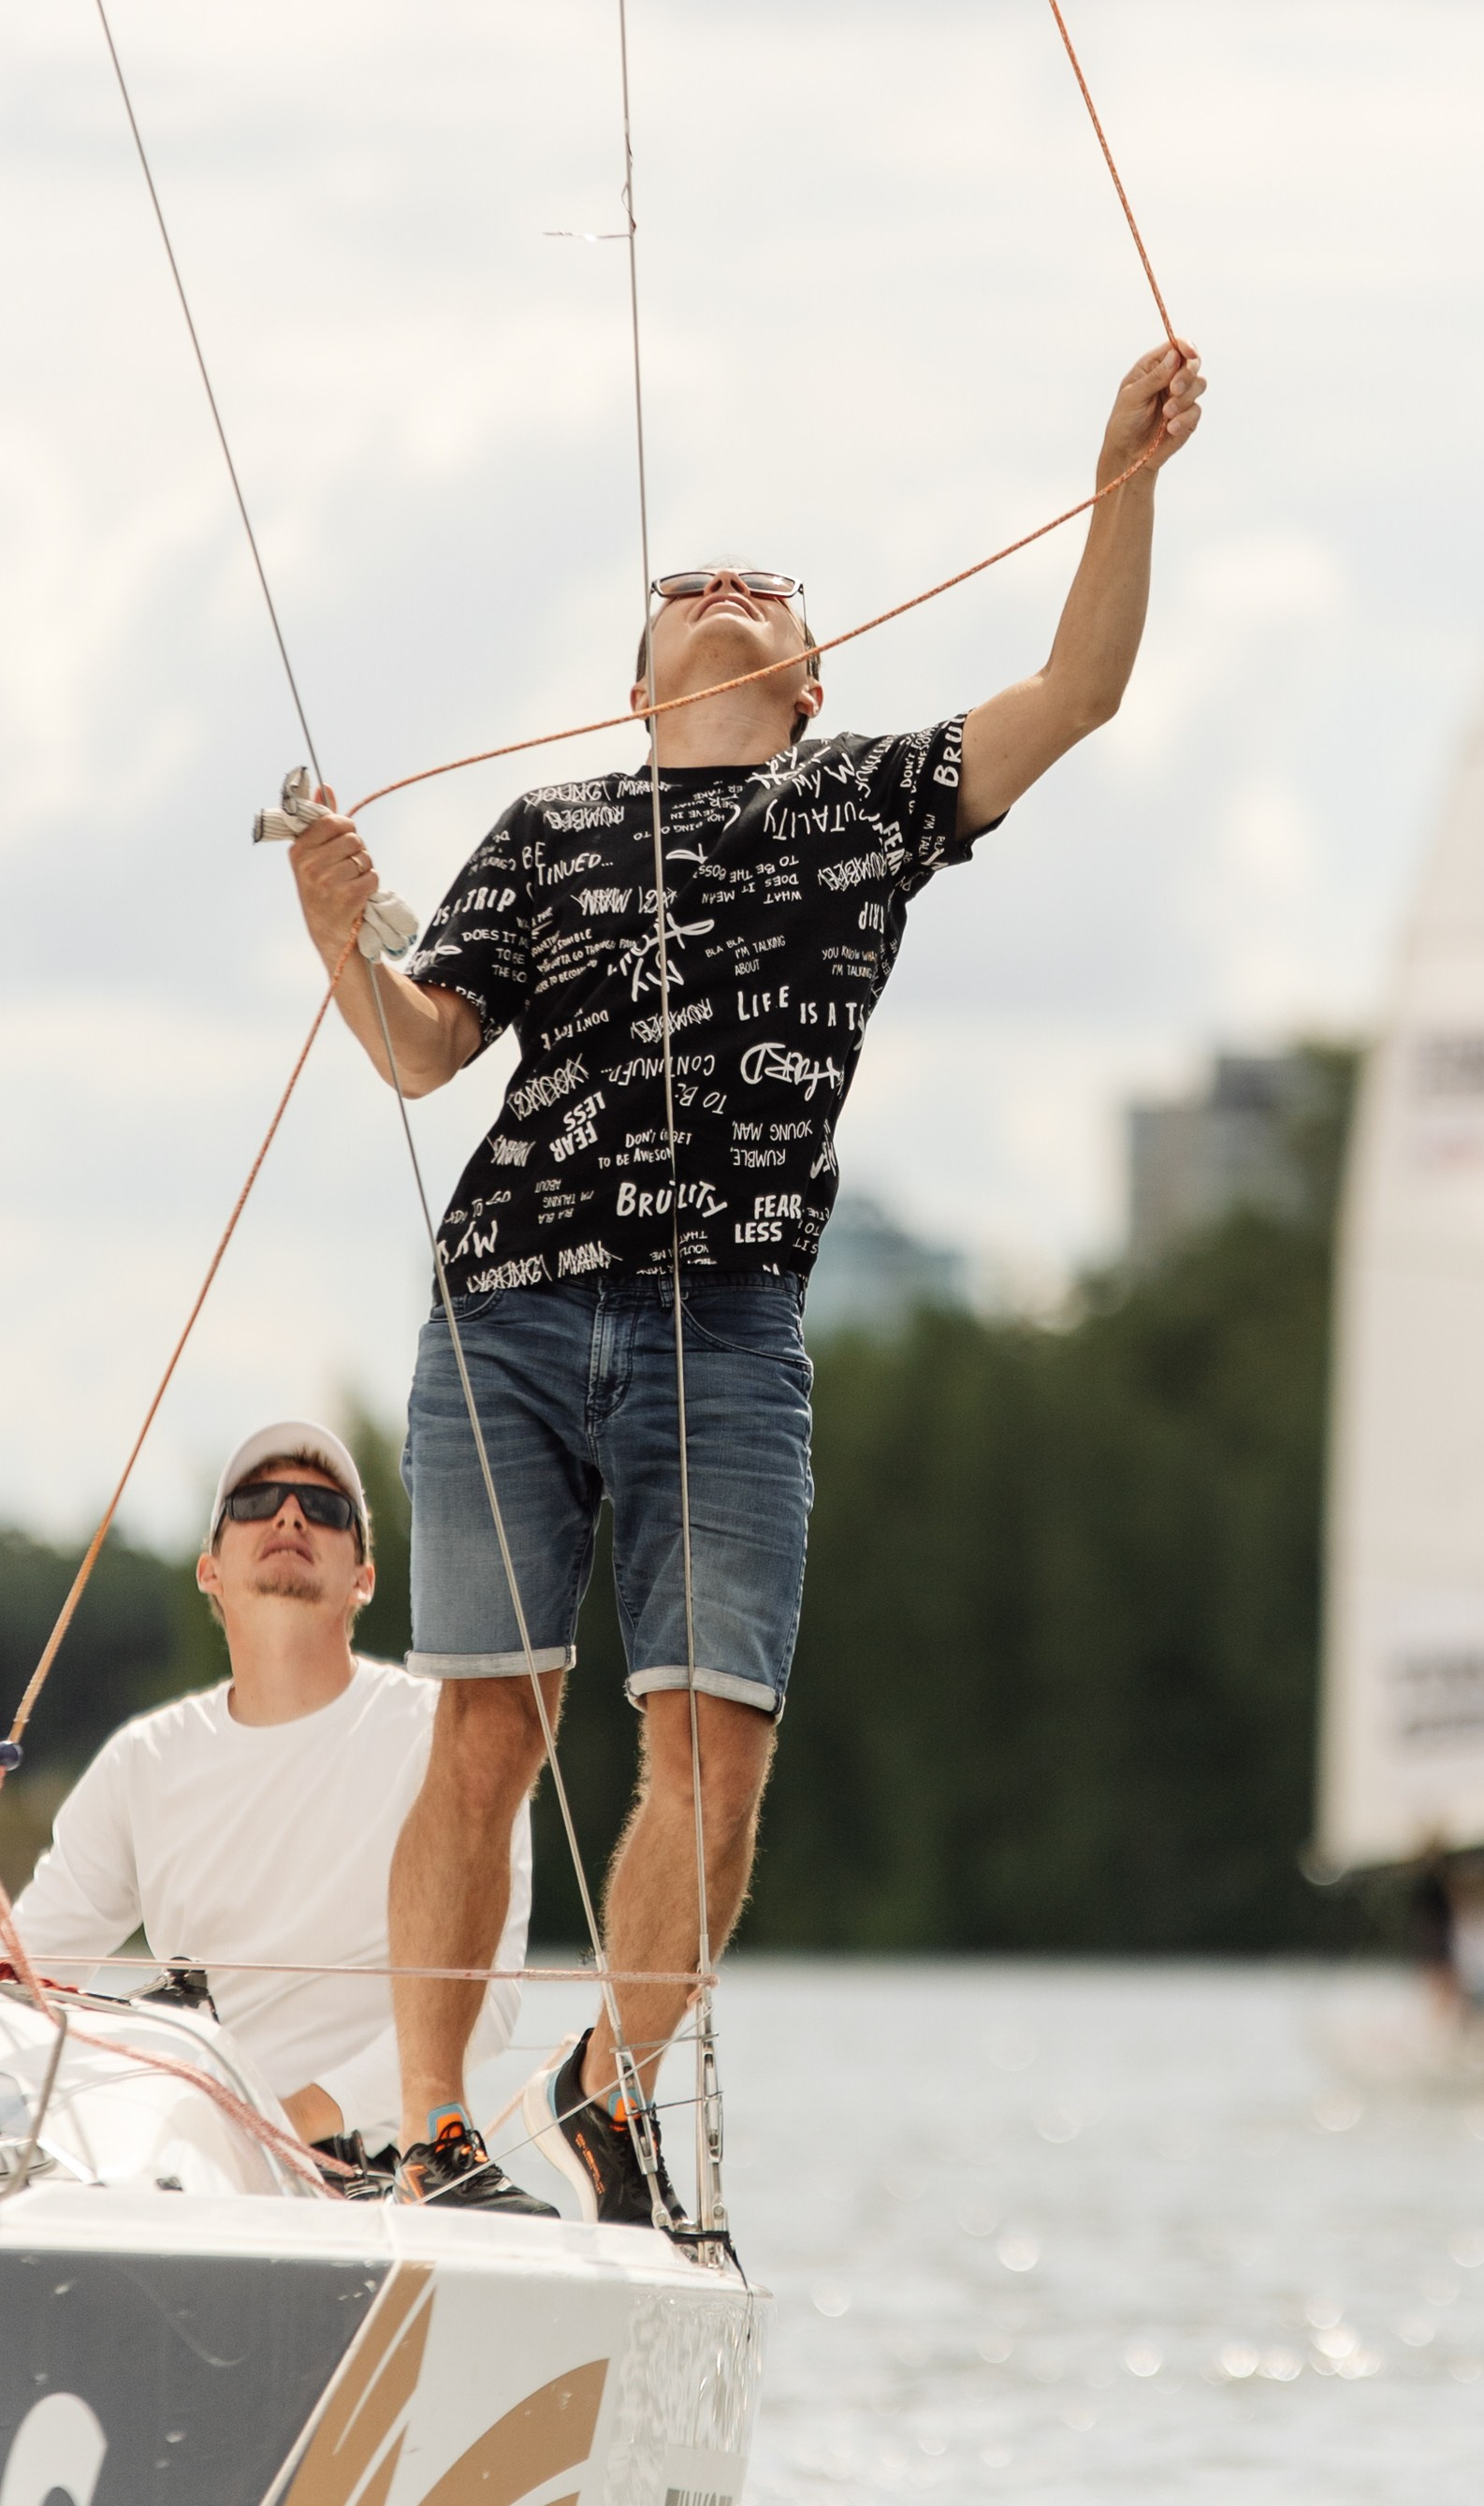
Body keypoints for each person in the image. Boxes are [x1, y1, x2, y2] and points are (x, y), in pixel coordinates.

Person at [285, 340, 1206, 2216]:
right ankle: (434, 2130)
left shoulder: (863, 803)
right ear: (638, 687)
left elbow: (1083, 689)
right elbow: (420, 1051)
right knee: (488, 1725)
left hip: (728, 1326)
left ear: (808, 675)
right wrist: (334, 938)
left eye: (758, 585)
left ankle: (609, 2091)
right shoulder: (543, 833)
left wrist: (1122, 476)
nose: (718, 588)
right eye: (684, 587)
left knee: (715, 1750)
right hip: (508, 1308)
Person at [6, 1421, 531, 2195]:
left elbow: (491, 1998)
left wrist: (291, 2119)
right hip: (182, 2171)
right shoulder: (145, 1761)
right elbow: (25, 1981)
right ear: (210, 1571)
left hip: (373, 2173)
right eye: (255, 1502)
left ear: (364, 1578)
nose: (289, 1516)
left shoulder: (451, 1742)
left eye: (325, 1509)